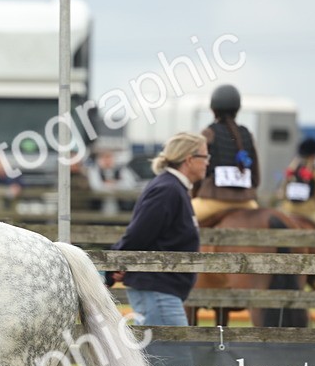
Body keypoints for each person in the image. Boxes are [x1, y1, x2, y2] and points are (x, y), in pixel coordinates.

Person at [106, 132, 209, 326]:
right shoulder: (168, 189)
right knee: (175, 356)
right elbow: (139, 234)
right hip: (158, 292)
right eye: (205, 156)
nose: (208, 162)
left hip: (162, 291)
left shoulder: (175, 188)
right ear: (189, 159)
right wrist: (113, 266)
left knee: (162, 355)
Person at [190, 84, 259, 224]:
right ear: (237, 109)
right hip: (246, 202)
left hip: (213, 199)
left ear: (213, 109)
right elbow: (256, 176)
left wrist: (194, 194)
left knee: (180, 218)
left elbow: (197, 171)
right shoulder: (247, 134)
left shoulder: (208, 133)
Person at [279, 137, 315, 229]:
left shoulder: (291, 170)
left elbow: (282, 192)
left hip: (288, 209)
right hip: (309, 211)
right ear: (314, 155)